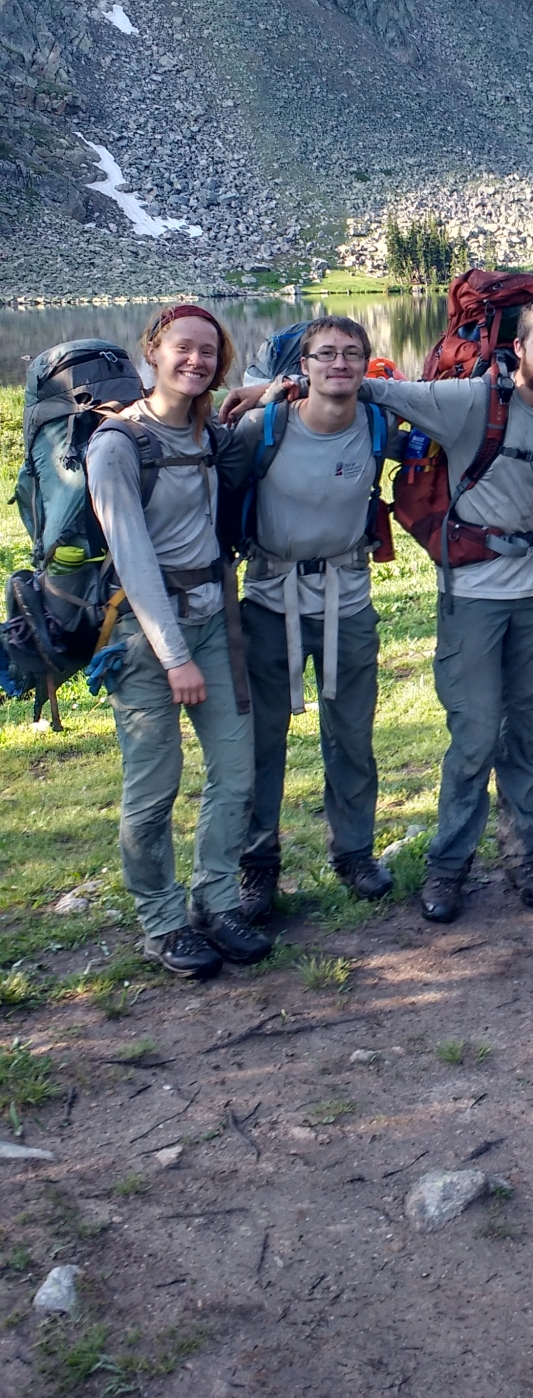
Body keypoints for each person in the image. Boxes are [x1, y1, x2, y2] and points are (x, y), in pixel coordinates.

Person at [226, 296, 533, 925]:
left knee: (513, 730)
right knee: (468, 738)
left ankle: (507, 853)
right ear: (517, 348)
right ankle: (438, 867)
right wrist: (273, 388)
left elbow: (378, 409)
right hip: (340, 596)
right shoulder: (467, 401)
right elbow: (384, 393)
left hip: (521, 592)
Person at [85, 306, 271, 978]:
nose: (194, 361)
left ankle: (216, 901)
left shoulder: (206, 431)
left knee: (234, 771)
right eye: (182, 349)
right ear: (154, 351)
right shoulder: (117, 444)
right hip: (145, 637)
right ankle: (162, 921)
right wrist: (175, 658)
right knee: (154, 785)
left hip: (214, 620)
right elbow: (133, 563)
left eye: (207, 353)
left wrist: (275, 389)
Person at [230, 315, 393, 922]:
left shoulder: (379, 424)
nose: (339, 365)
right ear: (303, 367)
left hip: (347, 604)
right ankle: (257, 866)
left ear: (366, 364)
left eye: (352, 354)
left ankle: (353, 852)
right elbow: (221, 489)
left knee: (352, 735)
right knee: (259, 741)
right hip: (268, 603)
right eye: (326, 354)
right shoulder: (264, 428)